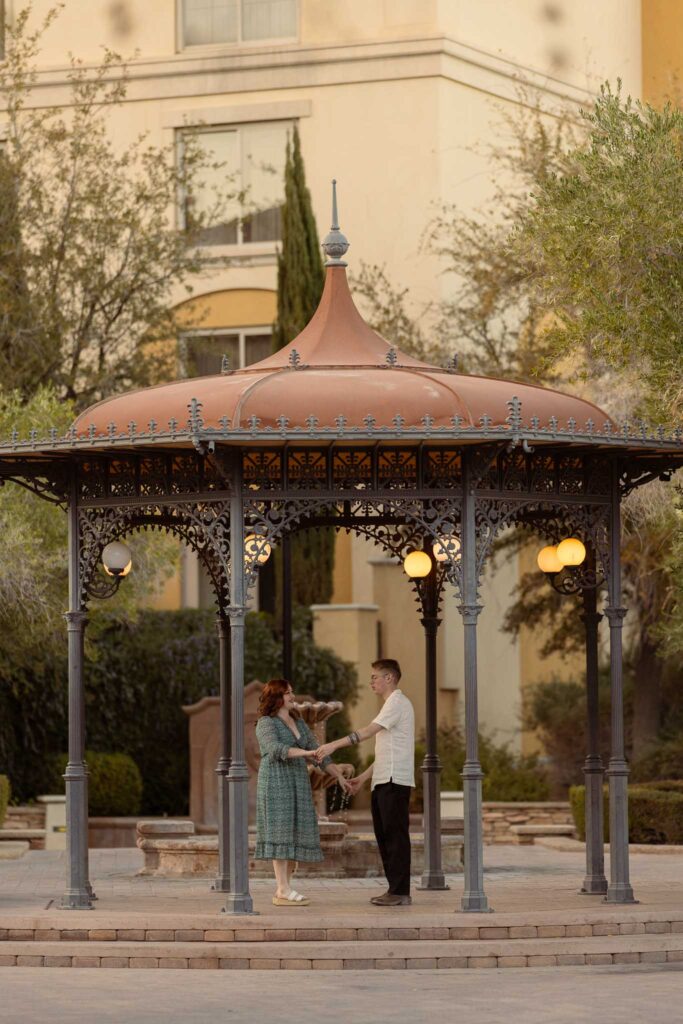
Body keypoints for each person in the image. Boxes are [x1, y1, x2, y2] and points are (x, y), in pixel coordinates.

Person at [315, 659, 415, 907]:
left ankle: (400, 892)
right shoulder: (390, 705)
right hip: (384, 780)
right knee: (385, 837)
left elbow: (368, 732)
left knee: (395, 837)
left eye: (374, 677)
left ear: (389, 678)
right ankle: (395, 889)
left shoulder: (397, 703)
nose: (371, 681)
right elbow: (387, 751)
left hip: (394, 782)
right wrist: (363, 778)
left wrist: (332, 745)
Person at [255, 678, 351, 906]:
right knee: (280, 833)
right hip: (276, 783)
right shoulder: (265, 723)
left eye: (292, 692)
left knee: (295, 832)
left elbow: (318, 752)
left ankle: (284, 889)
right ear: (276, 697)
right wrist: (305, 754)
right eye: (288, 693)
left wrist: (336, 774)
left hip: (297, 782)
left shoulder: (298, 722)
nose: (292, 696)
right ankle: (282, 888)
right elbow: (274, 749)